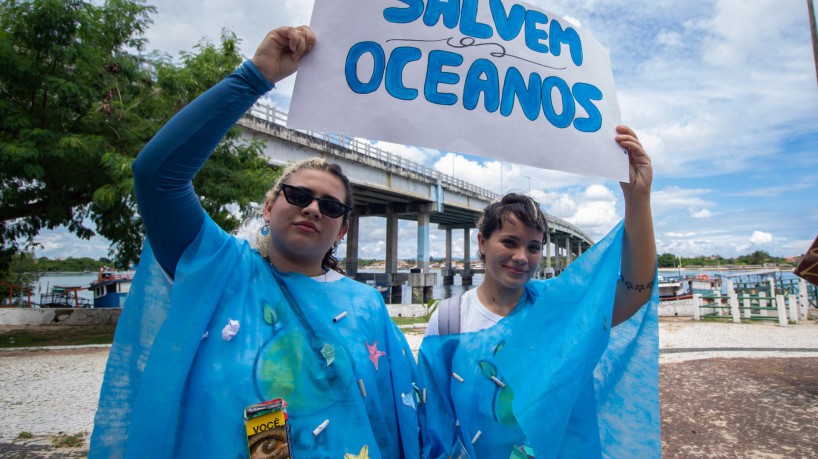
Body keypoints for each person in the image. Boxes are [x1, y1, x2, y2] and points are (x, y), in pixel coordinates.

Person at [89, 26, 420, 458]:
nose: (314, 209)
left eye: (331, 207)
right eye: (299, 196)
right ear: (268, 207)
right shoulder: (218, 268)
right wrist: (254, 77)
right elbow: (157, 175)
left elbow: (400, 416)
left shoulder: (367, 305)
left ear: (342, 231)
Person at [419, 127, 660, 458]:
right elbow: (433, 422)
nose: (521, 257)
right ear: (482, 242)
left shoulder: (557, 310)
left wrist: (638, 198)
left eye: (533, 247)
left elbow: (635, 292)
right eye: (509, 242)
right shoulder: (448, 323)